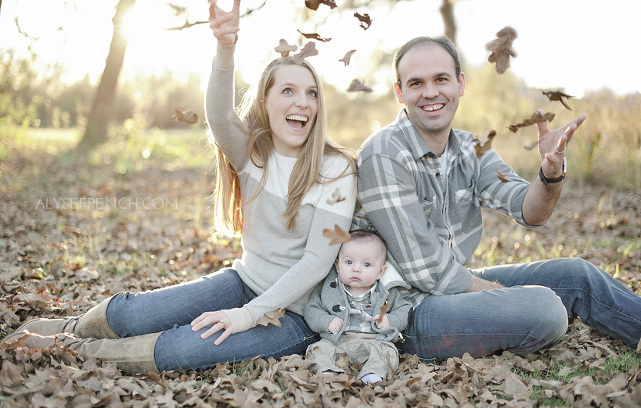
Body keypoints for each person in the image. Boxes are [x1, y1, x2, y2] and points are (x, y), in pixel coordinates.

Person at [1, 0, 357, 374]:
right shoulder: (254, 154)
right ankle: (71, 328)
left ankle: (70, 350)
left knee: (179, 350)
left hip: (294, 316)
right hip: (242, 281)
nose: (303, 102)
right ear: (265, 101)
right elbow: (219, 115)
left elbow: (316, 261)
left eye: (311, 93)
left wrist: (248, 315)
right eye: (288, 91)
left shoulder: (335, 170)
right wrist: (225, 48)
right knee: (133, 315)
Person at [353, 35, 641, 362]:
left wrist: (550, 172)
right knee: (544, 309)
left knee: (577, 275)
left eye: (441, 79)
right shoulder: (384, 154)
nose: (431, 92)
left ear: (460, 84)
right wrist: (505, 295)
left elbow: (530, 210)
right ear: (399, 92)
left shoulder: (472, 150)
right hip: (401, 312)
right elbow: (428, 273)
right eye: (416, 83)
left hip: (447, 292)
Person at [304, 230, 412, 384]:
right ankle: (328, 371)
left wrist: (390, 320)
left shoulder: (386, 292)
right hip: (337, 340)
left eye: (366, 264)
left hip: (373, 340)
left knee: (387, 351)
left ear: (380, 272)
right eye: (349, 262)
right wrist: (327, 321)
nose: (356, 269)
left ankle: (373, 374)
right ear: (337, 265)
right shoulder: (328, 289)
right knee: (317, 349)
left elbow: (405, 309)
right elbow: (311, 309)